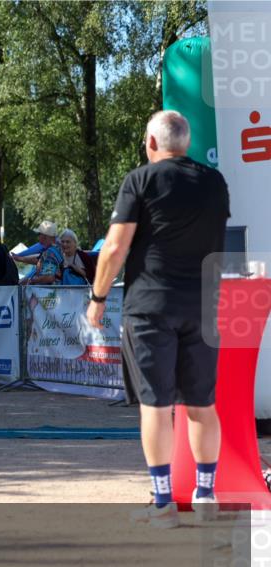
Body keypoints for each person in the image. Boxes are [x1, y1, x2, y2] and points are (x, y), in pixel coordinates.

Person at [87, 110, 230, 528]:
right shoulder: (214, 182)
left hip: (151, 305)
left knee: (157, 404)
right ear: (185, 142)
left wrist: (97, 297)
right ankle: (206, 496)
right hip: (203, 304)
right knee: (203, 404)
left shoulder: (140, 180)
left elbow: (115, 248)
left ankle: (164, 501)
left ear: (152, 142)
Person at [20, 221, 63, 286]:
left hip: (47, 293)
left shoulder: (49, 253)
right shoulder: (59, 249)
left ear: (44, 236)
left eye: (39, 234)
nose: (38, 237)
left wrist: (31, 280)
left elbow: (48, 277)